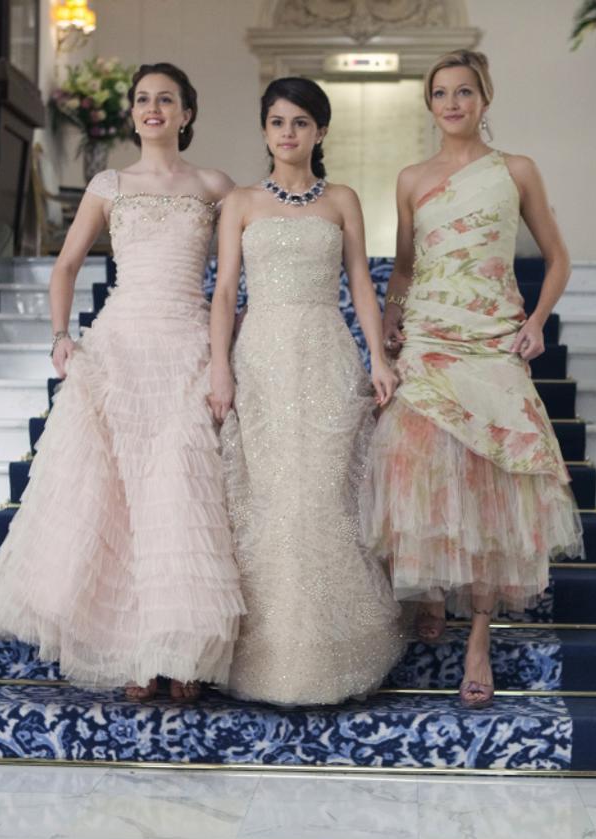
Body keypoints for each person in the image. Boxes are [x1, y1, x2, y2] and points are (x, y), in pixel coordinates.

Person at [0, 63, 243, 702]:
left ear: (186, 114)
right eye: (143, 98)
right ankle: (137, 655)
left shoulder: (215, 185)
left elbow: (239, 272)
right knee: (121, 505)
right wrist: (61, 337)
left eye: (166, 99)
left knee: (178, 496)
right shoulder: (108, 185)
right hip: (119, 349)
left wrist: (230, 347)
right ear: (133, 112)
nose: (153, 108)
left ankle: (183, 653)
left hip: (187, 348)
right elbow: (66, 266)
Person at [365, 50, 584, 710]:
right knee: (415, 462)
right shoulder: (411, 178)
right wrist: (392, 320)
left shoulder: (515, 170)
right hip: (430, 336)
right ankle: (430, 587)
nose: (452, 103)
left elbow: (558, 257)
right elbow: (405, 268)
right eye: (441, 93)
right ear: (429, 104)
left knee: (492, 483)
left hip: (492, 336)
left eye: (464, 92)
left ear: (485, 99)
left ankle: (480, 638)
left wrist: (537, 321)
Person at [207, 77, 405, 706]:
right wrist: (219, 367)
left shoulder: (342, 199)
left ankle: (330, 657)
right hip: (261, 358)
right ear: (265, 131)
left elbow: (361, 282)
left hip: (326, 355)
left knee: (322, 500)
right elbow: (224, 292)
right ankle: (269, 660)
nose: (287, 133)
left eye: (300, 122)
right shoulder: (240, 201)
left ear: (320, 131)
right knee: (269, 503)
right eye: (277, 122)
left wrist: (378, 358)